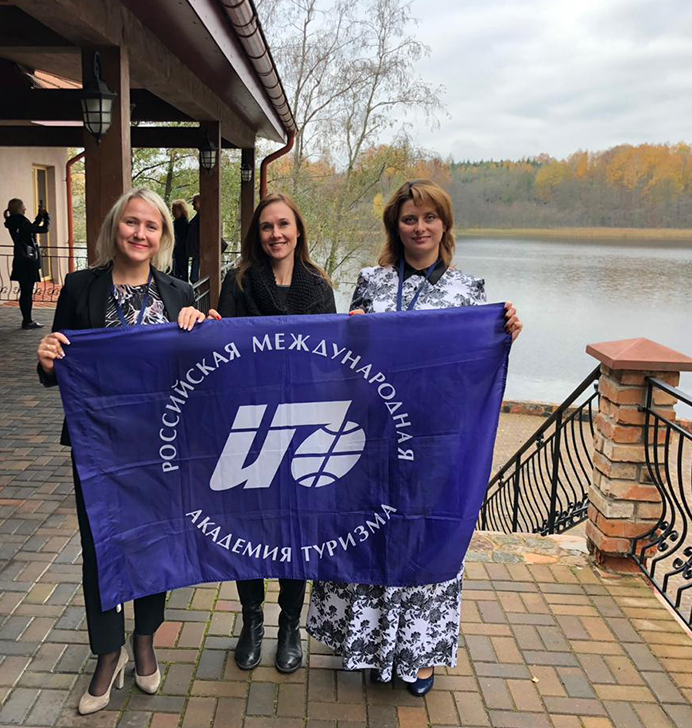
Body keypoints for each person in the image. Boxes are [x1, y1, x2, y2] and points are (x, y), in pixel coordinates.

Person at [306, 179, 523, 697]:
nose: (419, 227)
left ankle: (419, 653)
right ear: (395, 227)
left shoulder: (468, 291)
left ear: (444, 225)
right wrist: (352, 330)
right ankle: (369, 644)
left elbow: (473, 365)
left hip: (435, 441)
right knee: (371, 530)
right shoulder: (372, 283)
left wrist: (505, 331)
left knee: (426, 538)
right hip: (374, 435)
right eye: (409, 219)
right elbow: (349, 361)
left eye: (429, 217)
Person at [36, 187, 204, 715]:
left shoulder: (180, 293)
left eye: (151, 226)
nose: (139, 233)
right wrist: (47, 359)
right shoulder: (80, 287)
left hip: (162, 444)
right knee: (101, 544)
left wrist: (204, 329)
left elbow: (200, 371)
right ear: (115, 228)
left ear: (163, 236)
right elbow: (59, 368)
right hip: (98, 443)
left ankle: (144, 640)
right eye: (132, 222)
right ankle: (108, 652)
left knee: (156, 541)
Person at [211, 193, 336, 673]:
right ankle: (251, 623)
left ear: (298, 230)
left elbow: (331, 357)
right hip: (248, 421)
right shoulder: (239, 281)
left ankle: (288, 627)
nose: (276, 234)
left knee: (295, 531)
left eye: (284, 224)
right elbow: (223, 354)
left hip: (301, 424)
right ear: (257, 234)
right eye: (267, 226)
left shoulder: (319, 285)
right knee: (248, 527)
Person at [4, 198, 49, 329]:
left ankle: (27, 320)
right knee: (27, 292)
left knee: (25, 291)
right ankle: (27, 321)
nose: (25, 208)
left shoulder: (13, 221)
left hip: (20, 259)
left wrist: (39, 217)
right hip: (28, 262)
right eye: (23, 206)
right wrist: (46, 217)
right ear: (19, 207)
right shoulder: (21, 221)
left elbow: (31, 229)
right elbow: (43, 229)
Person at [171, 199, 191, 281]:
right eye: (172, 209)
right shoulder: (176, 222)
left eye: (175, 209)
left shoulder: (183, 223)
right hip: (176, 251)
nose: (173, 212)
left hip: (181, 251)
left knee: (181, 271)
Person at [187, 194, 201, 281]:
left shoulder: (203, 218)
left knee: (194, 277)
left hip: (199, 251)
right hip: (196, 251)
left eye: (195, 202)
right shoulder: (199, 217)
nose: (193, 204)